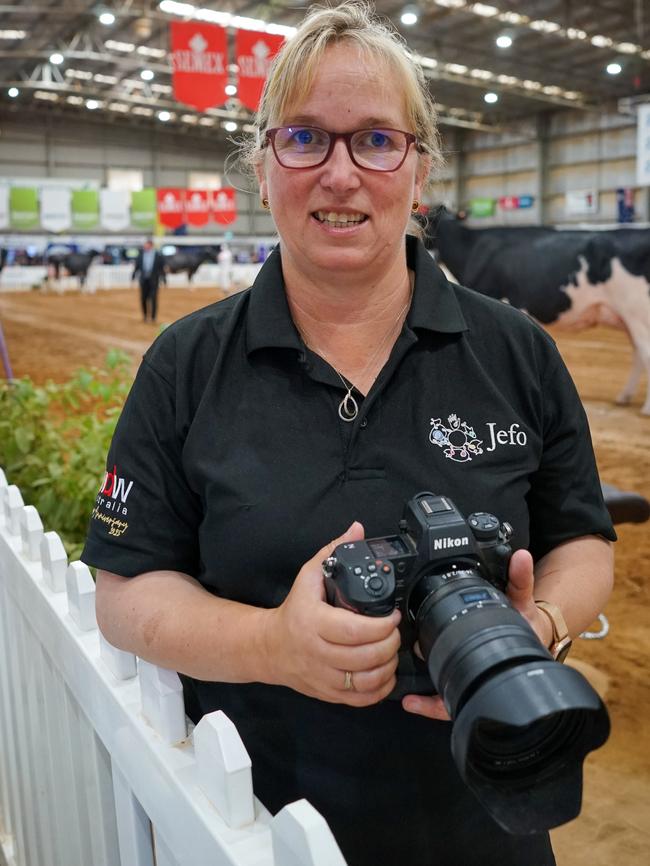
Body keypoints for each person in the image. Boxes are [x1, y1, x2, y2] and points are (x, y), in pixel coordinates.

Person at [82, 3, 616, 864]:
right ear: (263, 168)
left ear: (420, 171)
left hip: (486, 828)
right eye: (304, 139)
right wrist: (273, 646)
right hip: (244, 826)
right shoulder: (186, 367)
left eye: (374, 139)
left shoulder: (518, 353)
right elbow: (125, 590)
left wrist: (536, 624)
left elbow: (583, 541)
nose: (339, 174)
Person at [132, 239, 165, 322]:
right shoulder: (141, 255)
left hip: (154, 280)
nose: (145, 246)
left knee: (153, 298)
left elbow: (161, 268)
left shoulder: (158, 255)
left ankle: (153, 317)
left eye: (146, 245)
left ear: (151, 245)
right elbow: (137, 267)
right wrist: (133, 276)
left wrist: (164, 278)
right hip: (143, 280)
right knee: (143, 298)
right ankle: (145, 316)